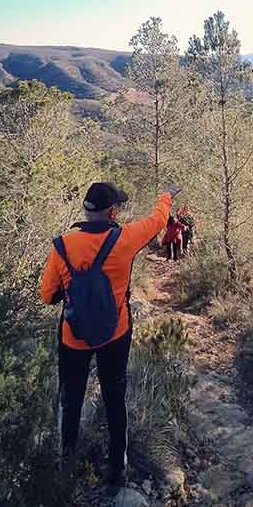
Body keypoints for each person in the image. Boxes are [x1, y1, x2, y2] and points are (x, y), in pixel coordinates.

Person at [40, 180, 181, 481]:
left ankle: (65, 463)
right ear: (113, 211)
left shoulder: (62, 245)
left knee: (71, 397)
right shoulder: (125, 238)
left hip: (72, 336)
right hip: (115, 333)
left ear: (86, 211)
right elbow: (157, 221)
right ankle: (117, 466)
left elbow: (46, 294)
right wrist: (165, 196)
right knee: (114, 397)